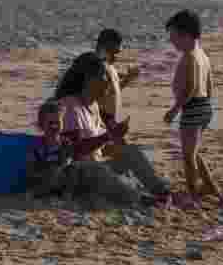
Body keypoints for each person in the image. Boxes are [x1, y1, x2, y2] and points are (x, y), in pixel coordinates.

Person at [54, 52, 173, 207]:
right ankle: (141, 200)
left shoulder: (94, 106)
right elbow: (74, 151)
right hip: (76, 176)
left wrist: (117, 142)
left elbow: (98, 150)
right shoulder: (69, 106)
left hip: (97, 170)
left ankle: (161, 192)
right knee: (96, 169)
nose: (109, 82)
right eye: (105, 77)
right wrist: (109, 136)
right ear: (89, 79)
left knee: (131, 152)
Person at [163, 10, 220, 206]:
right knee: (193, 151)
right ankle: (210, 186)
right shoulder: (202, 54)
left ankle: (193, 194)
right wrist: (207, 107)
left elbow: (192, 87)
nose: (172, 42)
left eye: (173, 37)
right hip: (203, 106)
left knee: (188, 157)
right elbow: (209, 84)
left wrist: (175, 109)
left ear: (186, 35)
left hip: (193, 107)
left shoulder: (190, 56)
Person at [94, 28, 140, 159]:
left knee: (115, 150)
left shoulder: (107, 65)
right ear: (103, 47)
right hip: (102, 117)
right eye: (114, 52)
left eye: (118, 52)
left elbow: (113, 85)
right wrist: (128, 79)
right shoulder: (97, 66)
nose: (117, 56)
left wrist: (126, 77)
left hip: (109, 117)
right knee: (121, 150)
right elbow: (104, 93)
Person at [25, 100, 79, 200]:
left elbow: (67, 164)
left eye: (57, 122)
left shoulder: (66, 144)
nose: (54, 126)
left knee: (72, 169)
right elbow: (31, 170)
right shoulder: (38, 147)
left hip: (61, 183)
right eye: (50, 123)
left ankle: (66, 198)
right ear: (41, 125)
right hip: (43, 184)